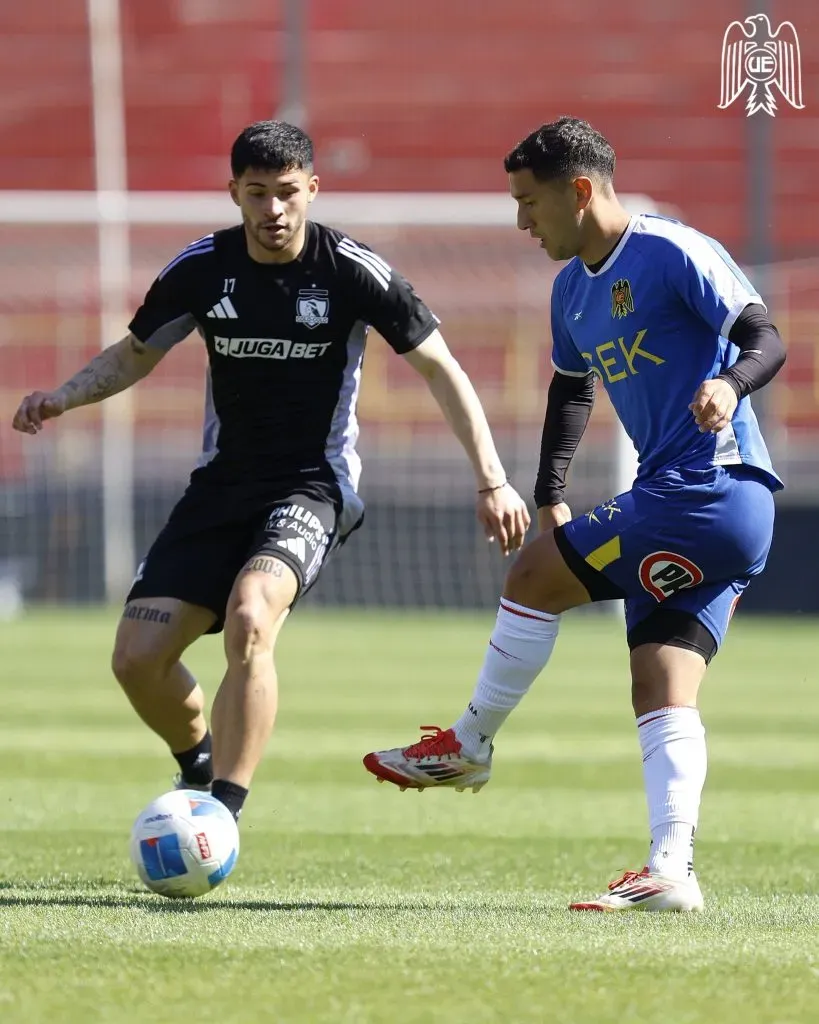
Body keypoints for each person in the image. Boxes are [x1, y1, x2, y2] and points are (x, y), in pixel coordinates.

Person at [12, 120, 530, 826]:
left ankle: (222, 812)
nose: (273, 210)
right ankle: (197, 762)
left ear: (312, 190)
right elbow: (135, 354)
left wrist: (492, 480)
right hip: (220, 486)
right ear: (234, 193)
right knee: (136, 659)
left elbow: (440, 366)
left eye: (287, 193)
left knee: (250, 619)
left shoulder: (351, 269)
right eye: (257, 194)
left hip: (311, 487)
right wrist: (62, 397)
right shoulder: (202, 268)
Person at [363, 116, 786, 913]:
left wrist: (730, 386)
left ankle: (469, 741)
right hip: (712, 515)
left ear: (579, 191)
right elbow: (570, 389)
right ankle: (671, 869)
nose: (521, 222)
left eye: (530, 204)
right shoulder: (569, 290)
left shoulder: (672, 251)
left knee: (531, 574)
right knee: (659, 683)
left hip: (711, 489)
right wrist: (549, 492)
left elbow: (764, 335)